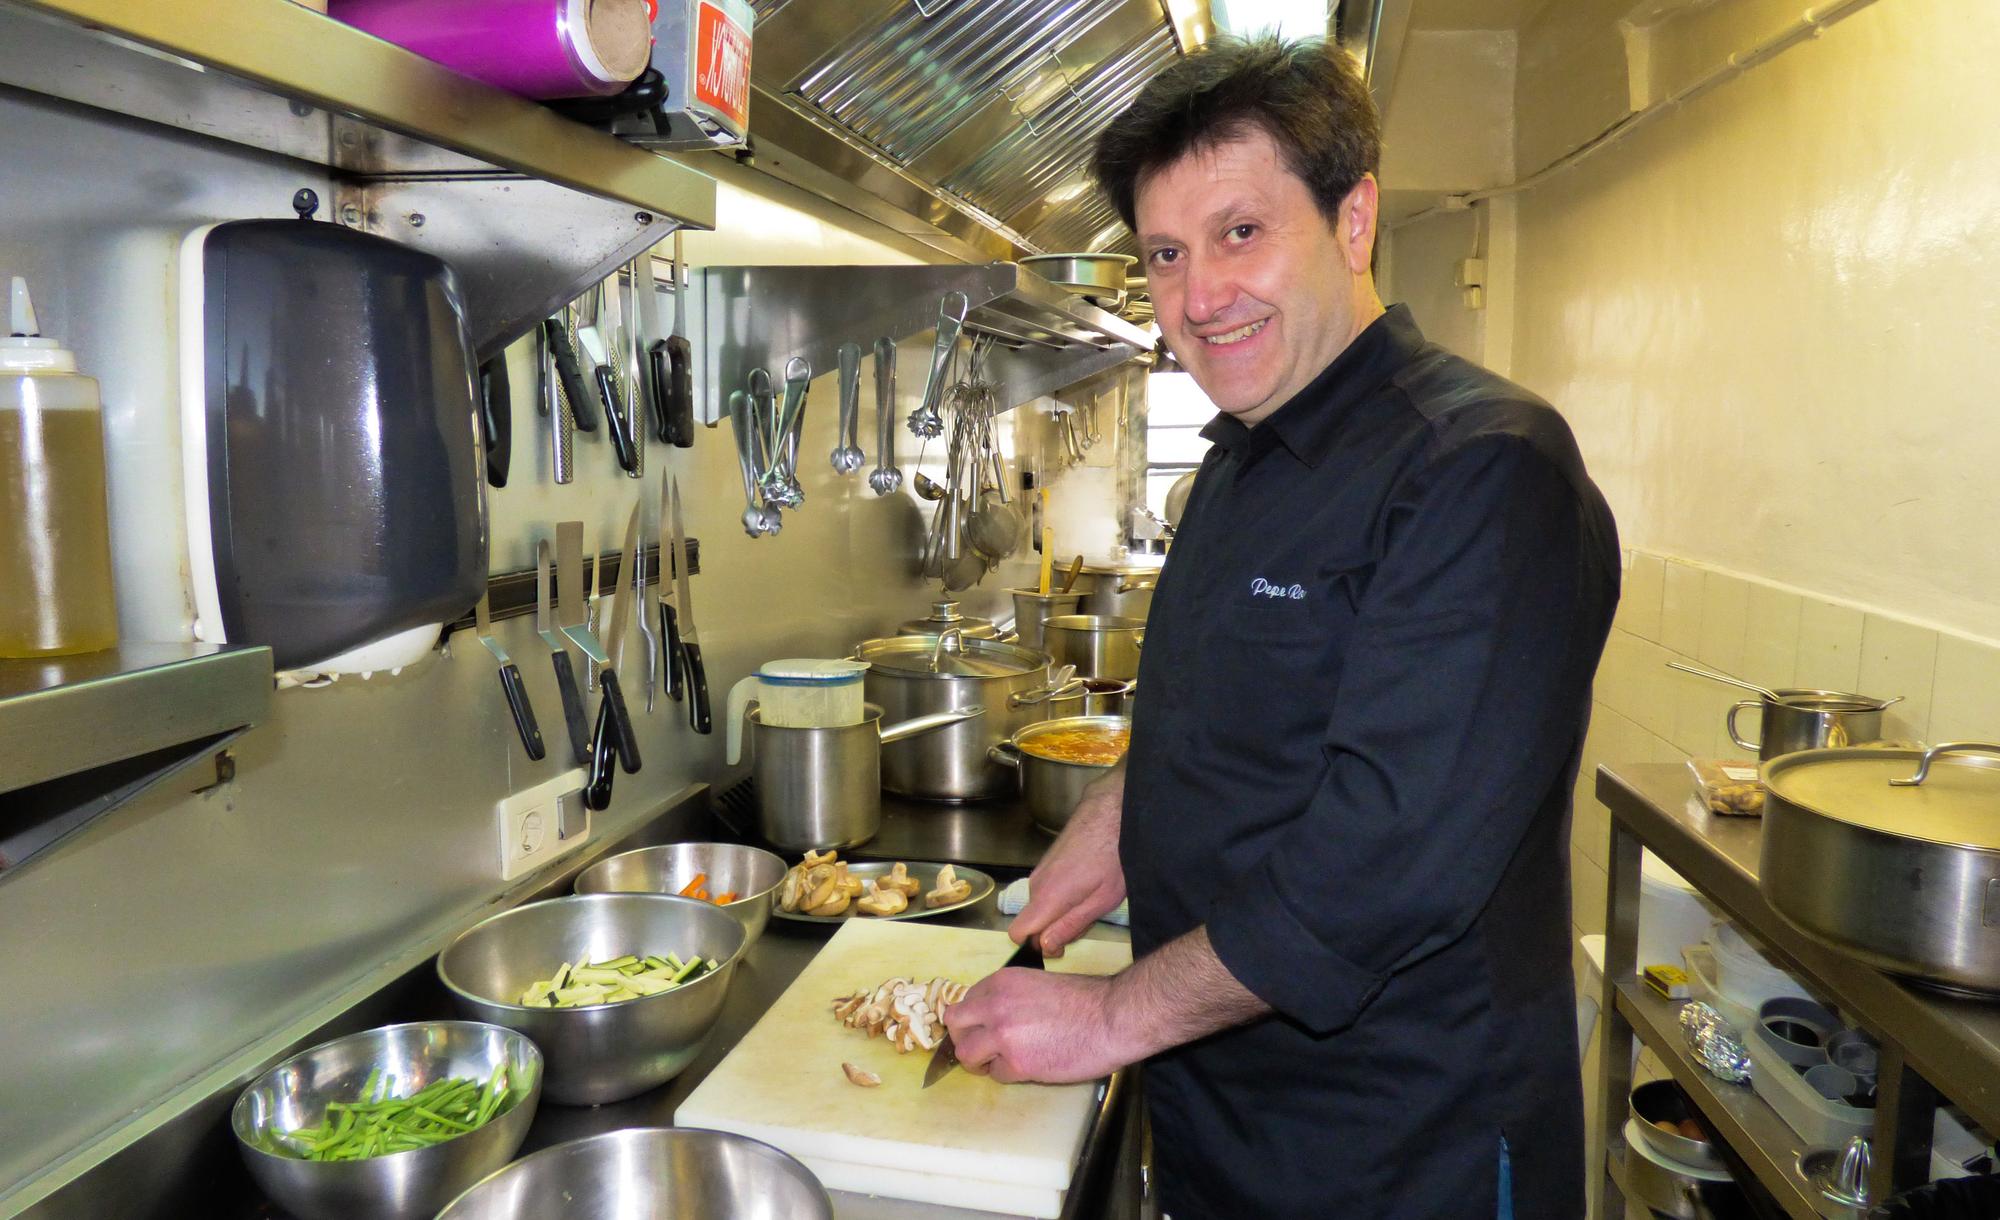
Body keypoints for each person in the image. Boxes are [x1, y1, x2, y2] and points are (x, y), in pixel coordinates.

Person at [940, 36, 1621, 1220]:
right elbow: (1215, 712)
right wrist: (1117, 820)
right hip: (1224, 1104)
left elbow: (1382, 872)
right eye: (1164, 253)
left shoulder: (1482, 471)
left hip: (1403, 1147)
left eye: (1240, 232)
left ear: (1352, 220)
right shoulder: (1237, 465)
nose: (1198, 296)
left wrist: (1107, 1014)